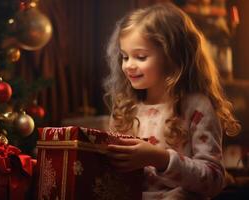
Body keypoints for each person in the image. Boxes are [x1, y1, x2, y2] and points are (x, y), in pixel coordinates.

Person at [103, 2, 240, 199]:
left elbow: (214, 179)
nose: (128, 66)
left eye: (141, 57)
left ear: (171, 56)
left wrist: (161, 159)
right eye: (124, 57)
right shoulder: (126, 108)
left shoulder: (197, 107)